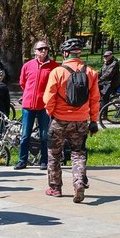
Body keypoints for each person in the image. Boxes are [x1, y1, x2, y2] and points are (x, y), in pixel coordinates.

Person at [43, 37, 100, 202]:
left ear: (65, 53)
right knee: (78, 153)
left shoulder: (58, 72)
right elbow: (95, 99)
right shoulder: (91, 72)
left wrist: (51, 113)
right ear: (79, 53)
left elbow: (48, 98)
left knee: (54, 154)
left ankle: (55, 188)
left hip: (59, 120)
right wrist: (94, 120)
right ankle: (79, 182)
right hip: (81, 121)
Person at [16, 40, 59, 170]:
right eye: (40, 49)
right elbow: (23, 82)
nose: (44, 51)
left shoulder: (54, 67)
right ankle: (22, 160)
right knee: (25, 135)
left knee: (44, 135)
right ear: (35, 51)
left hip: (44, 107)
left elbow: (56, 85)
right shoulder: (28, 65)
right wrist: (29, 94)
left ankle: (44, 161)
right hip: (28, 106)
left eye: (46, 48)